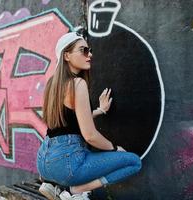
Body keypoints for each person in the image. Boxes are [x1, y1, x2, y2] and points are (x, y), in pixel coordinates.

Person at [36, 32, 142, 200]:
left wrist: (100, 110)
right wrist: (114, 149)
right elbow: (90, 135)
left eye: (89, 50)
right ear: (67, 55)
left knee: (80, 152)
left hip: (43, 163)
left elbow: (71, 120)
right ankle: (75, 190)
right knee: (133, 162)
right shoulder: (78, 83)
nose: (90, 54)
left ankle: (55, 185)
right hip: (67, 165)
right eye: (83, 50)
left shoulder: (52, 84)